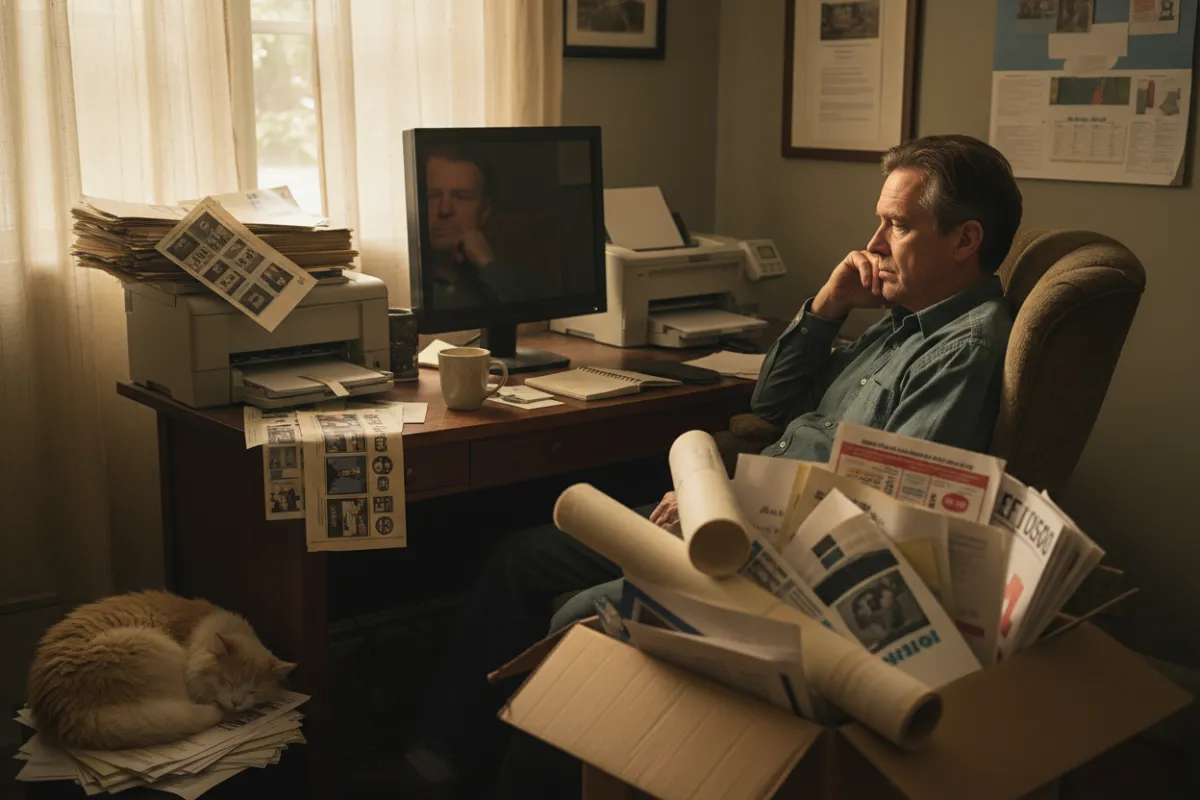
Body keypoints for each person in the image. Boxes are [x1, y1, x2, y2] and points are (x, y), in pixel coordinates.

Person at [407, 134, 1022, 799]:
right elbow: (772, 401)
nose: (873, 243)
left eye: (897, 225)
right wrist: (828, 305)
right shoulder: (903, 318)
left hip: (779, 553)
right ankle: (452, 756)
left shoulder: (964, 349)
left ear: (965, 240)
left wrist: (728, 515)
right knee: (522, 558)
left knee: (581, 620)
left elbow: (880, 508)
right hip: (733, 508)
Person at [422, 144, 535, 309]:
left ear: (484, 211)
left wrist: (488, 264)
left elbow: (529, 318)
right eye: (432, 196)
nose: (445, 209)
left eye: (462, 197)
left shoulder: (517, 281)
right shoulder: (401, 281)